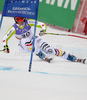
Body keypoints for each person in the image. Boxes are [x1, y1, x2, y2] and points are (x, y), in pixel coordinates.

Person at [3, 17, 86, 63]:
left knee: (49, 50)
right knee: (24, 40)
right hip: (24, 47)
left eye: (22, 19)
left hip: (34, 40)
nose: (20, 21)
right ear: (15, 20)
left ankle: (71, 57)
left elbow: (42, 24)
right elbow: (5, 38)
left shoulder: (29, 22)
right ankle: (39, 54)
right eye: (18, 19)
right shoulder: (13, 28)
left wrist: (43, 30)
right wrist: (5, 46)